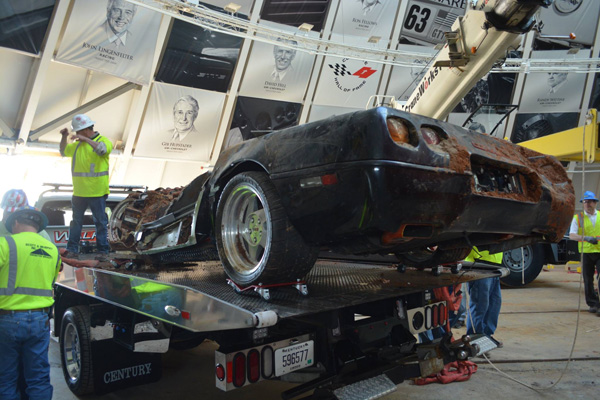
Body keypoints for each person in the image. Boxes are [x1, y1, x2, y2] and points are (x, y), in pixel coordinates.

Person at [0, 205, 61, 400]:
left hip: (7, 320)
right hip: (40, 320)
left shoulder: (5, 244)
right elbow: (51, 280)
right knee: (39, 378)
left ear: (16, 222)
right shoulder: (53, 250)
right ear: (37, 226)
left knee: (7, 378)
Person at [59, 114, 113, 260]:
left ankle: (103, 251)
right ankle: (72, 250)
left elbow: (102, 150)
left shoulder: (104, 141)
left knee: (100, 222)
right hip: (79, 193)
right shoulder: (77, 146)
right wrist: (64, 137)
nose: (76, 135)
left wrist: (86, 140)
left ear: (84, 130)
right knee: (76, 221)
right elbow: (63, 151)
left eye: (78, 132)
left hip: (97, 192)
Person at [464, 247, 504, 352]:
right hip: (479, 265)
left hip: (494, 266)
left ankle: (486, 336)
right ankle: (474, 340)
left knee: (494, 304)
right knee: (480, 306)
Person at [569, 191, 600, 314]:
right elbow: (572, 235)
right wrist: (585, 238)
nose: (587, 204)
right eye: (585, 202)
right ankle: (593, 304)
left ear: (595, 202)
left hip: (599, 251)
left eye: (590, 202)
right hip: (586, 252)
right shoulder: (578, 218)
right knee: (588, 279)